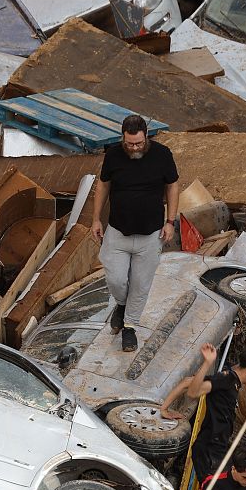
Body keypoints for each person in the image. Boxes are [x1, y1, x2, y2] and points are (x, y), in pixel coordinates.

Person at [91, 114, 179, 353]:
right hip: (118, 230)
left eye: (138, 143)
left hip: (151, 234)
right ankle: (120, 304)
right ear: (123, 138)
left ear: (146, 136)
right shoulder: (113, 155)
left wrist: (170, 221)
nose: (134, 148)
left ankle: (129, 327)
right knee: (116, 279)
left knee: (141, 284)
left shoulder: (162, 155)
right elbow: (103, 185)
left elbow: (172, 185)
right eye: (129, 144)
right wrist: (96, 218)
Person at [160, 339, 246, 483]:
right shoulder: (226, 380)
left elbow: (187, 382)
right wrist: (207, 363)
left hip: (217, 448)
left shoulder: (231, 380)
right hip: (209, 451)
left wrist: (164, 408)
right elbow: (193, 392)